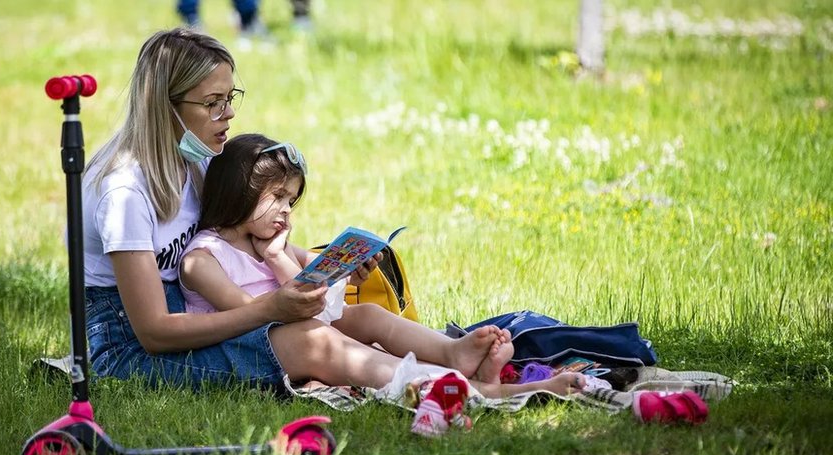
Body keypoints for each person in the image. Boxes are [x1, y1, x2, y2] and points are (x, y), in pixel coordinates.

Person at [80, 27, 585, 400]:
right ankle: (466, 391)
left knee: (348, 320)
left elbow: (242, 240)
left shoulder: (195, 158)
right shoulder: (127, 190)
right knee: (312, 342)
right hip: (130, 347)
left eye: (229, 98)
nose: (228, 115)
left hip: (209, 315)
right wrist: (272, 309)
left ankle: (452, 365)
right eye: (212, 103)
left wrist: (330, 263)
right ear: (163, 107)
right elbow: (153, 330)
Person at [177, 133, 586, 398]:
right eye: (277, 198)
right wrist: (277, 259)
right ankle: (459, 387)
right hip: (247, 351)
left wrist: (347, 264)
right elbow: (253, 317)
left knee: (369, 314)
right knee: (328, 341)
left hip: (293, 333)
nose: (286, 211)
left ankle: (452, 353)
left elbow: (317, 277)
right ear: (239, 193)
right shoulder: (203, 261)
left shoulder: (260, 239)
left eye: (291, 201)